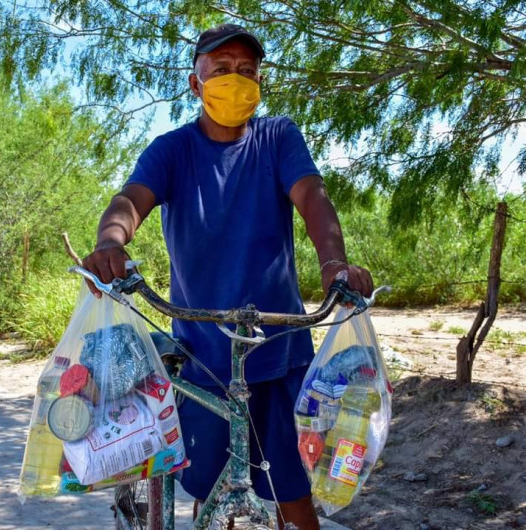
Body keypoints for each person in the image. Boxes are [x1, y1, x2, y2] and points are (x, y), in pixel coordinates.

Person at [81, 24, 373, 530]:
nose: (234, 80)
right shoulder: (171, 150)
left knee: (293, 491)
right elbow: (130, 201)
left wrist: (334, 265)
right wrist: (110, 242)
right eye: (220, 71)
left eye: (246, 71)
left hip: (279, 347)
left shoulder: (278, 138)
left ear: (260, 81)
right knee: (211, 491)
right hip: (203, 354)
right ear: (196, 84)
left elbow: (313, 200)